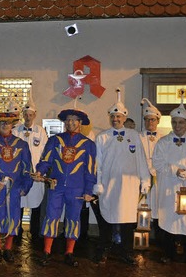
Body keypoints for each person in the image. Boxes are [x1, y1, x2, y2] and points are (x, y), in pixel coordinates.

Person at [34, 99, 96, 267]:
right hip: (56, 185)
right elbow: (46, 160)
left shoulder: (88, 144)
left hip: (77, 188)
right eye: (68, 120)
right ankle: (47, 251)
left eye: (74, 120)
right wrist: (40, 171)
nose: (70, 123)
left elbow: (90, 170)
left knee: (73, 219)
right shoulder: (55, 140)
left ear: (80, 122)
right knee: (51, 216)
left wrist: (89, 189)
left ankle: (69, 252)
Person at [94, 90, 150, 264]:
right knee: (107, 219)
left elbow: (141, 159)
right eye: (113, 116)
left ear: (124, 118)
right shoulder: (102, 137)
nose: (115, 119)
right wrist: (98, 184)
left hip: (129, 186)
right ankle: (104, 249)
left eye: (118, 116)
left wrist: (145, 180)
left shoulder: (134, 136)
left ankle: (126, 251)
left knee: (127, 220)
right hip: (109, 185)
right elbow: (98, 163)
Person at [152, 100, 186, 265]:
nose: (178, 125)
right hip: (169, 185)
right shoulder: (163, 143)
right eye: (174, 122)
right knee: (169, 218)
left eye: (181, 122)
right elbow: (158, 162)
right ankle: (169, 253)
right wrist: (175, 170)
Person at [0, 104, 32, 263]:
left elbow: (27, 168)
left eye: (8, 123)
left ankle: (8, 248)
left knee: (13, 217)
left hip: (15, 188)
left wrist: (25, 187)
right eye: (1, 123)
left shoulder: (22, 145)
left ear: (13, 125)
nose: (5, 126)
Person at [12, 91, 48, 240]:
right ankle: (17, 229)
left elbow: (45, 153)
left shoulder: (41, 131)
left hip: (36, 174)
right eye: (25, 114)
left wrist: (41, 171)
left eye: (30, 114)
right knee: (18, 203)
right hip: (20, 174)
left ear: (35, 115)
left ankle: (34, 230)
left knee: (36, 203)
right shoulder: (15, 131)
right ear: (22, 114)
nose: (28, 116)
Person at [139, 98, 163, 239]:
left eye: (153, 120)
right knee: (142, 207)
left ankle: (160, 239)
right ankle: (141, 238)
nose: (150, 123)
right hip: (142, 177)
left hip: (159, 177)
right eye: (147, 120)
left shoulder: (164, 138)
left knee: (159, 208)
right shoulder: (137, 137)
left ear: (158, 121)